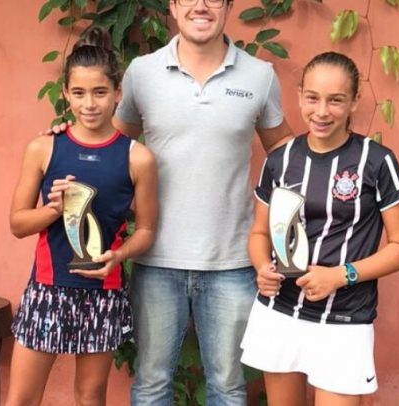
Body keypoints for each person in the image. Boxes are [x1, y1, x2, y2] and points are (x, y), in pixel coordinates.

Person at [111, 0, 294, 403]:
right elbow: (110, 148)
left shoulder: (259, 75)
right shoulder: (142, 73)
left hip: (232, 261)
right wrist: (63, 145)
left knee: (228, 387)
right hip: (156, 259)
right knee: (151, 383)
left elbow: (285, 152)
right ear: (174, 6)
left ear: (228, 7)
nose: (200, 6)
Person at [239, 51, 399, 406]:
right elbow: (260, 233)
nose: (321, 111)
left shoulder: (377, 161)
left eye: (335, 100)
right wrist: (262, 268)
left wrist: (340, 275)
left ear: (354, 101)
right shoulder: (280, 160)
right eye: (312, 98)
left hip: (344, 318)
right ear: (300, 96)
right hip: (280, 311)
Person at [6, 26, 157, 406]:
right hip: (47, 287)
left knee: (90, 397)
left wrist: (118, 256)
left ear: (118, 93)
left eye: (100, 92)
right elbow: (17, 224)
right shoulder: (44, 148)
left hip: (102, 292)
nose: (90, 104)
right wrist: (53, 209)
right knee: (21, 399)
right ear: (65, 94)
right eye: (79, 93)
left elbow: (146, 230)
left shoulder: (137, 157)